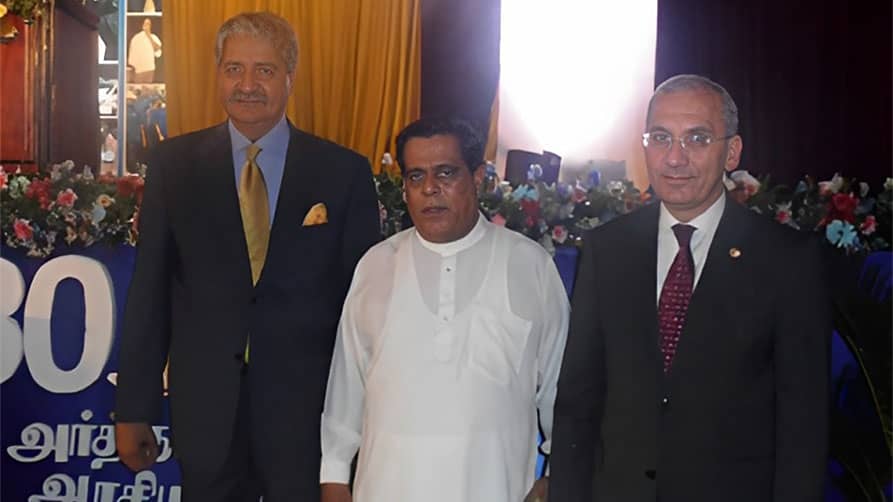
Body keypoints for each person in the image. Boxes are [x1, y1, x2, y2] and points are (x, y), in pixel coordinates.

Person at [114, 12, 380, 501]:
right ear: (218, 74)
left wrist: (365, 418)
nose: (248, 85)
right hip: (207, 417)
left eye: (265, 70)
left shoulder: (342, 173)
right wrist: (134, 407)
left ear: (290, 78)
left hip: (308, 420)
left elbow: (363, 312)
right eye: (234, 68)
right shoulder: (174, 168)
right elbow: (149, 293)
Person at [549, 74, 830, 501]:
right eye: (661, 137)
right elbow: (577, 402)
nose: (674, 158)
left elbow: (803, 424)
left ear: (732, 152)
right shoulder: (607, 250)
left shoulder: (786, 260)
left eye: (697, 138)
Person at [319, 117, 570, 502]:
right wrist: (335, 477)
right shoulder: (377, 264)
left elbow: (561, 389)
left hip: (494, 488)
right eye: (416, 177)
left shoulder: (530, 264)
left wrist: (555, 475)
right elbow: (346, 385)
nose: (430, 189)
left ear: (480, 178)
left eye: (446, 173)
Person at [128, 18, 162, 83]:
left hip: (150, 70)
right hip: (139, 71)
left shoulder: (154, 37)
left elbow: (158, 53)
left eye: (149, 24)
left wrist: (149, 36)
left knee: (148, 91)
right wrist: (135, 68)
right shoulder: (136, 38)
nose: (147, 26)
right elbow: (131, 56)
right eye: (145, 23)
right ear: (142, 25)